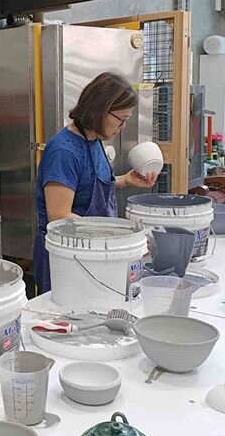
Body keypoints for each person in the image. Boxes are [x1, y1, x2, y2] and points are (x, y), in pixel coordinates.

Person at [33, 72, 158, 295]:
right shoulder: (64, 151)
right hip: (67, 257)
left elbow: (87, 187)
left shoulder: (93, 140)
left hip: (95, 251)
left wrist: (124, 180)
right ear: (99, 111)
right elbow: (59, 215)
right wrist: (119, 238)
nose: (122, 126)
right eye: (121, 118)